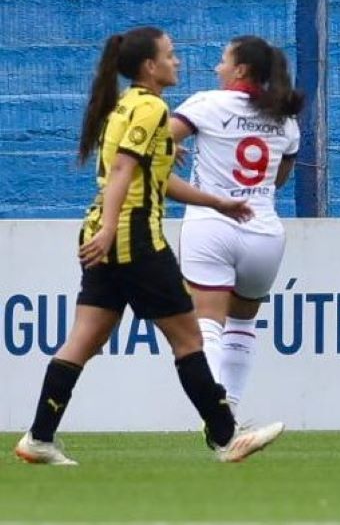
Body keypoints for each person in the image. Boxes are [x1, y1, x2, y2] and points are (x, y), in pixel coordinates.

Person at [13, 27, 284, 465]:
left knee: (86, 338)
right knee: (189, 338)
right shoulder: (152, 107)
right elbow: (122, 171)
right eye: (171, 55)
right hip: (133, 237)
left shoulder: (126, 105)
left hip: (104, 233)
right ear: (149, 67)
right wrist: (113, 230)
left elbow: (151, 177)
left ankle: (38, 438)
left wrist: (216, 202)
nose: (177, 62)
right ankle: (226, 437)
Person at [169, 35, 303, 416]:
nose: (217, 67)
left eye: (223, 60)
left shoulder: (207, 103)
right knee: (242, 327)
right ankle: (234, 408)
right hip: (263, 231)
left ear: (241, 69)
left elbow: (152, 139)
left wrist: (170, 147)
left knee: (208, 323)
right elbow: (279, 177)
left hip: (212, 223)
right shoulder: (285, 118)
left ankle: (217, 416)